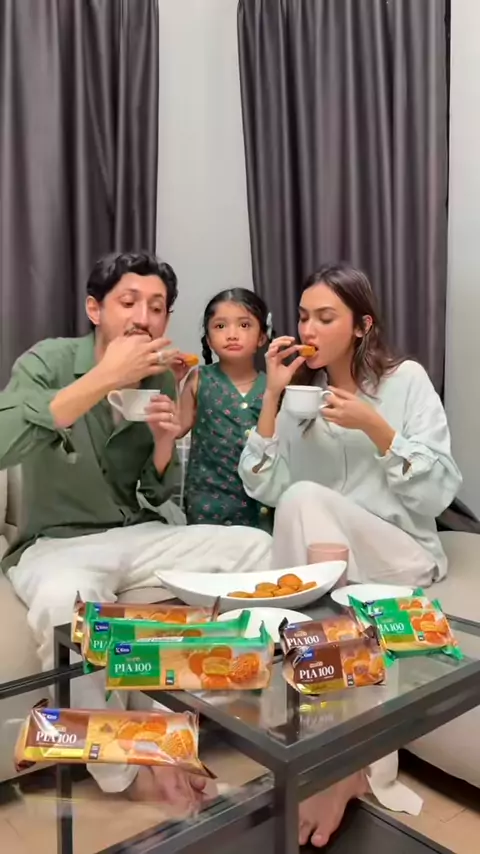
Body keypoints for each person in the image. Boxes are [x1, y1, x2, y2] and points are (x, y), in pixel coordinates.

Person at [0, 251, 272, 806]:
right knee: (65, 606)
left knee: (258, 548)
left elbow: (153, 492)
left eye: (157, 307)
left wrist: (166, 443)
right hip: (59, 543)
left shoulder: (160, 378)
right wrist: (104, 379)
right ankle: (129, 772)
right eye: (129, 302)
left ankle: (209, 721)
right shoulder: (50, 360)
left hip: (139, 534)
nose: (143, 318)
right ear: (95, 309)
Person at [238, 263, 462, 847]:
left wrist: (376, 428)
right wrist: (273, 394)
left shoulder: (405, 381)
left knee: (306, 500)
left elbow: (439, 491)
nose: (309, 328)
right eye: (303, 317)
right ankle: (332, 752)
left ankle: (334, 760)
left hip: (401, 550)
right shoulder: (301, 399)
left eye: (325, 317)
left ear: (362, 326)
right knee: (300, 506)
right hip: (331, 559)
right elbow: (263, 484)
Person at [179, 288, 273, 530]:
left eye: (244, 325)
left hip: (260, 506)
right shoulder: (198, 379)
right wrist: (169, 381)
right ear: (209, 339)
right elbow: (175, 428)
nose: (232, 335)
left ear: (262, 337)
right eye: (220, 326)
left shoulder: (274, 387)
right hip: (207, 507)